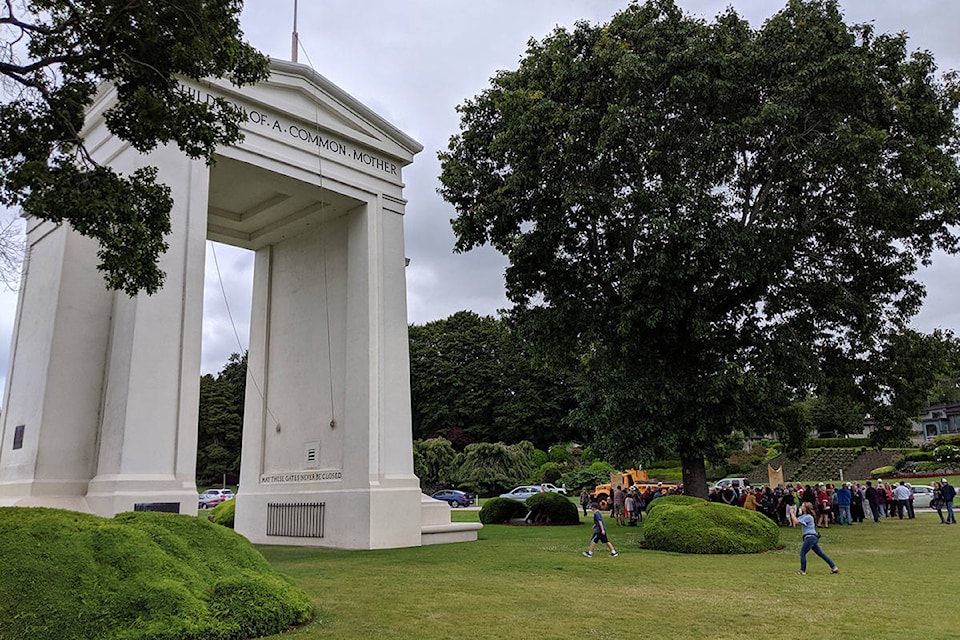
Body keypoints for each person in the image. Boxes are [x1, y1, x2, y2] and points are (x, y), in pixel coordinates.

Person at [791, 501, 839, 576]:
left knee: (802, 553)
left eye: (803, 506)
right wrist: (794, 514)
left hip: (810, 537)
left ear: (806, 508)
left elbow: (796, 522)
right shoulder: (805, 516)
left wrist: (791, 513)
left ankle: (802, 570)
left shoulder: (808, 517)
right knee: (820, 554)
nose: (801, 507)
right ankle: (834, 567)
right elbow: (797, 519)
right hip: (812, 538)